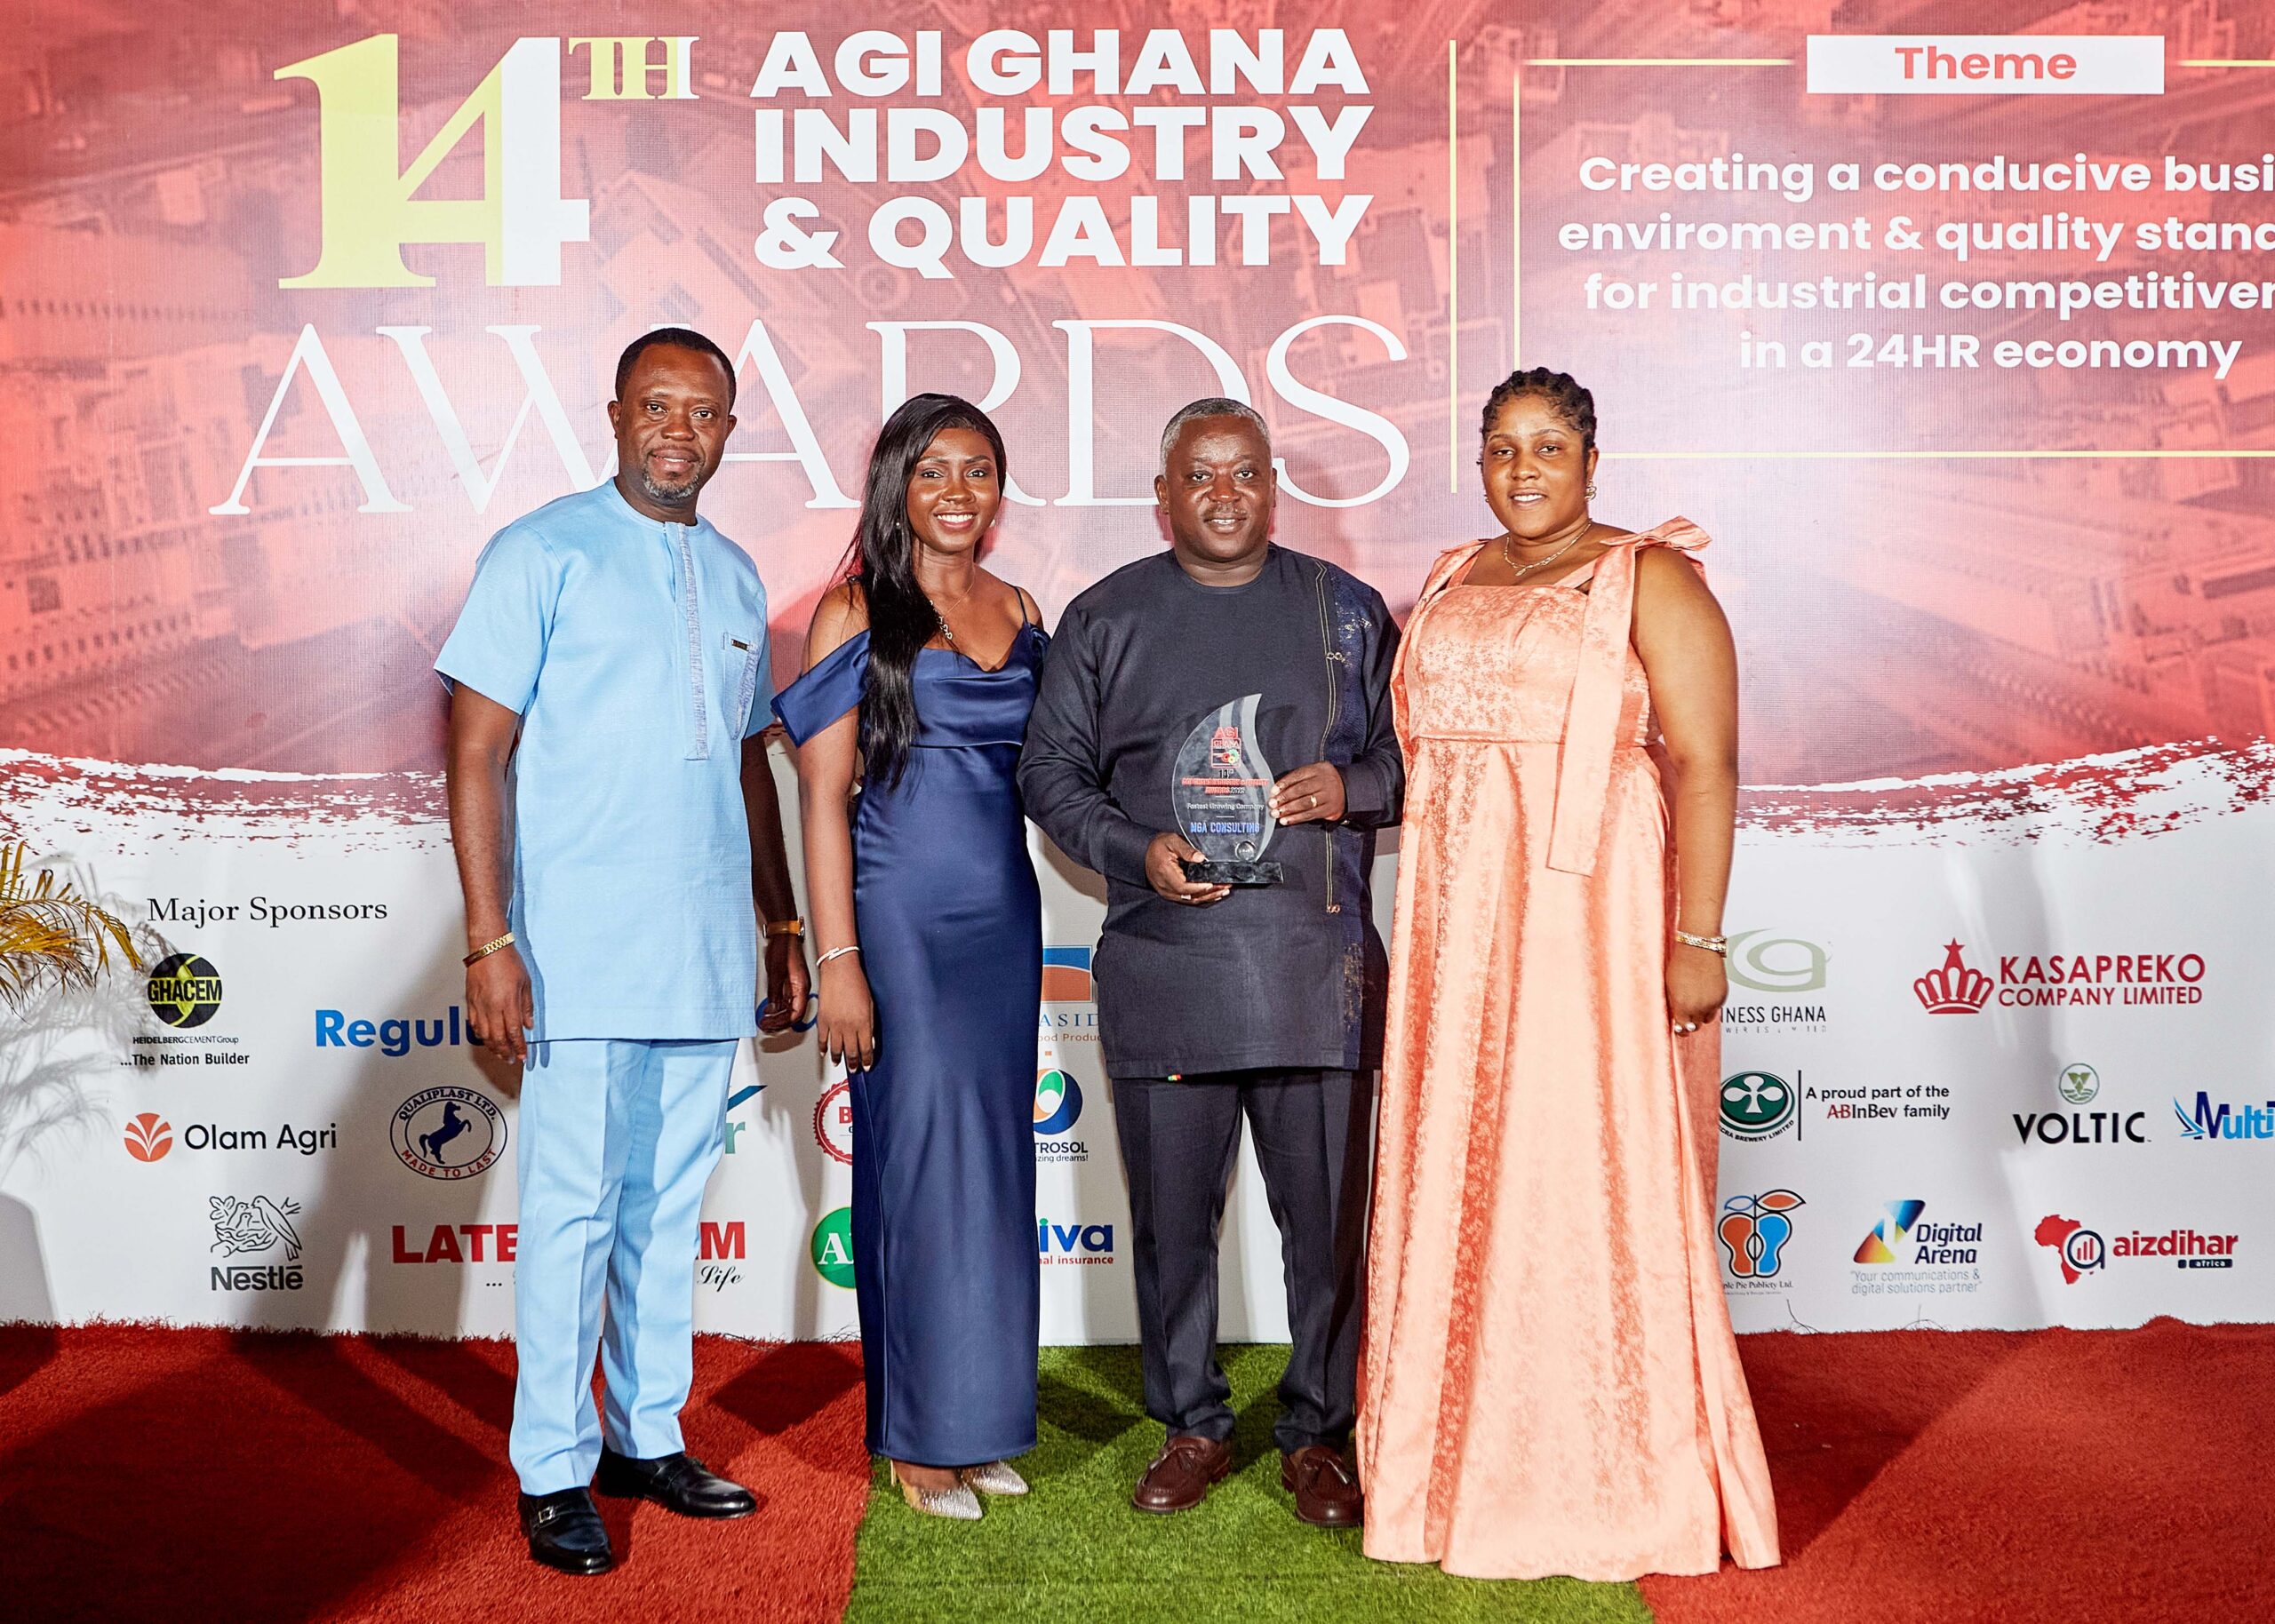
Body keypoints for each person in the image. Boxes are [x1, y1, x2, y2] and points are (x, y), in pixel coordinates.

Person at [1355, 368, 1780, 1580]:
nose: (1522, 468)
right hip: (1457, 919)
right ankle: (1452, 1460)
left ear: (1593, 460)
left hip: (1587, 916)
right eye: (1500, 448)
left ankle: (1607, 1465)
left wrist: (1699, 938)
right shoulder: (1452, 575)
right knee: (1468, 1154)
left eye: (1547, 446)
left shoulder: (1653, 576)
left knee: (1580, 1153)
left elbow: (1706, 763)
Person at [438, 327, 810, 1576]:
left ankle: (645, 1437)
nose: (676, 431)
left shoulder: (741, 576)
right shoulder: (538, 550)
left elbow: (751, 765)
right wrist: (489, 938)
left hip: (702, 951)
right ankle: (552, 1467)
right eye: (656, 406)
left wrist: (779, 924)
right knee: (573, 1212)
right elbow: (475, 750)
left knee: (664, 1210)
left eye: (701, 411)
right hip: (577, 949)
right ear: (613, 415)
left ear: (728, 430)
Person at [1018, 398, 1401, 1528]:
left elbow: (1411, 754)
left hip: (1314, 973)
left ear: (1272, 486)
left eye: (1244, 473)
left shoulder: (1344, 609)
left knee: (1324, 1230)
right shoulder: (1105, 617)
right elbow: (1048, 774)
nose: (1224, 495)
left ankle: (1318, 1432)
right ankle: (1189, 1421)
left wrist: (1354, 787)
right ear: (1162, 495)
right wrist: (1131, 848)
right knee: (1171, 1229)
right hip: (1166, 966)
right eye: (1200, 475)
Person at [772, 394, 1043, 1521]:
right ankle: (920, 1439)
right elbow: (821, 797)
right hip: (898, 921)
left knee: (996, 1167)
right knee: (921, 1163)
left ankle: (981, 1425)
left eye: (976, 470)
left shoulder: (1021, 607)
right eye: (931, 470)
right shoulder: (852, 610)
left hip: (1002, 918)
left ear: (998, 489)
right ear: (896, 485)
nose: (956, 491)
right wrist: (837, 956)